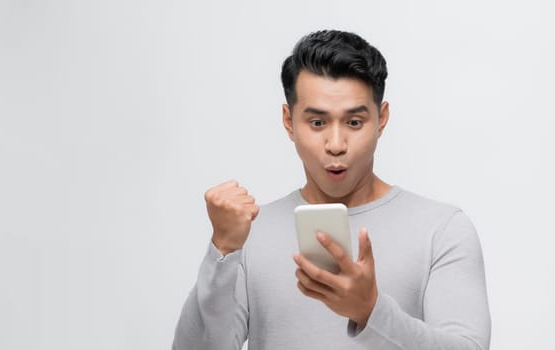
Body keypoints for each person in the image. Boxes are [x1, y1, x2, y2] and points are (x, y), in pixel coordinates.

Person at [173, 30, 491, 349]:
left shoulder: (442, 229)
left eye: (354, 122)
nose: (336, 145)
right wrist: (224, 249)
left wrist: (371, 312)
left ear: (381, 119)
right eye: (317, 123)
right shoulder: (251, 233)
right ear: (289, 121)